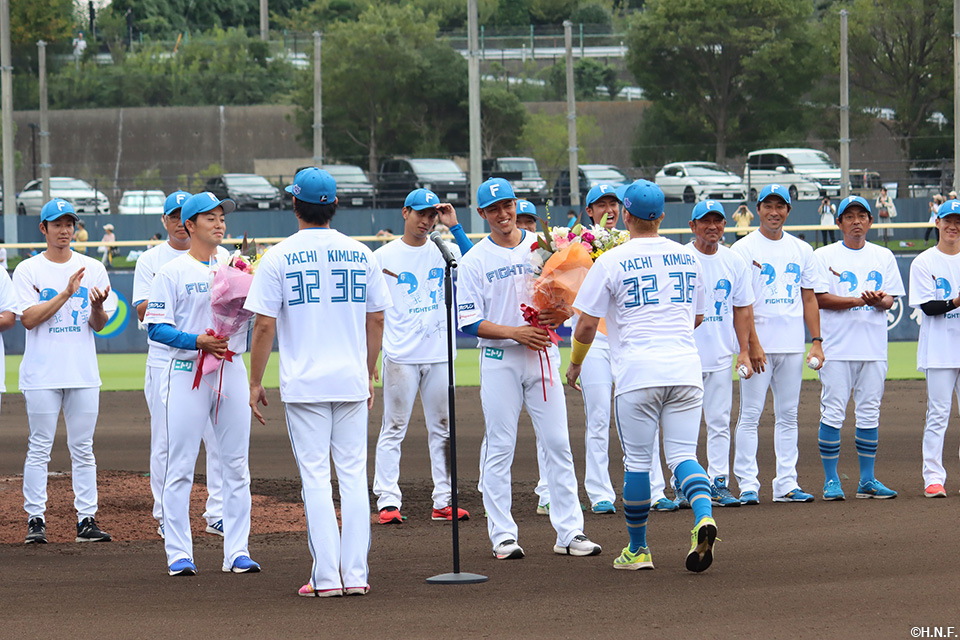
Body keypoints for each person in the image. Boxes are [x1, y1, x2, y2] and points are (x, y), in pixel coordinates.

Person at [246, 168, 392, 596]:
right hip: (350, 380)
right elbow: (377, 319)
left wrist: (254, 381)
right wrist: (368, 370)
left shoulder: (277, 256)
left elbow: (264, 326)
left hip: (306, 384)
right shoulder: (361, 253)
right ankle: (356, 576)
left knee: (315, 480)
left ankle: (326, 578)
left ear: (294, 204)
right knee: (353, 477)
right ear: (335, 206)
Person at [566, 179, 718, 573]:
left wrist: (576, 363)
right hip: (685, 368)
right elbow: (699, 315)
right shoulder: (687, 257)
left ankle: (638, 550)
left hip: (638, 372)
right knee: (683, 456)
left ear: (627, 216)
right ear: (662, 216)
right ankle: (703, 516)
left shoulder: (612, 260)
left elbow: (586, 326)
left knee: (636, 461)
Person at [457, 177, 601, 560]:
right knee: (500, 445)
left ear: (515, 204)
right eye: (493, 209)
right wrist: (514, 333)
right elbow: (468, 322)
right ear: (482, 213)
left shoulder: (544, 247)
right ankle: (503, 535)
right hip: (499, 359)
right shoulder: (474, 260)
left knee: (557, 443)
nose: (502, 214)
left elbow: (569, 296)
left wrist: (562, 313)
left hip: (542, 355)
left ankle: (569, 532)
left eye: (506, 206)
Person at [144, 192, 259, 577]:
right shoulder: (172, 271)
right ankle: (179, 553)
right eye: (210, 217)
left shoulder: (236, 265)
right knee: (180, 464)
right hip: (186, 370)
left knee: (236, 464)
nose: (219, 223)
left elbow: (252, 317)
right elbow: (156, 328)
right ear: (189, 225)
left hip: (230, 367)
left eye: (221, 217)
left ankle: (237, 551)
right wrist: (197, 340)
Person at [15, 198, 115, 545]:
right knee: (39, 446)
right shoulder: (28, 269)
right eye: (57, 224)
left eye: (69, 224)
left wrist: (97, 307)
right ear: (43, 228)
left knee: (83, 448)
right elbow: (28, 319)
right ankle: (35, 519)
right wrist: (66, 293)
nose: (64, 230)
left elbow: (99, 325)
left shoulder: (93, 267)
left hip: (82, 372)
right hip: (41, 374)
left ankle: (86, 519)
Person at [372, 188, 473, 525]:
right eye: (421, 214)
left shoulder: (445, 250)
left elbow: (475, 265)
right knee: (394, 426)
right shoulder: (383, 256)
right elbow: (370, 309)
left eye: (432, 215)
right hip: (401, 355)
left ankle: (444, 500)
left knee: (443, 428)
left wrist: (454, 226)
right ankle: (388, 500)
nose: (427, 221)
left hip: (440, 353)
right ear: (405, 213)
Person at [132, 191, 225, 540]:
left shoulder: (222, 257)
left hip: (215, 358)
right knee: (167, 441)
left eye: (182, 215)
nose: (178, 222)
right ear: (167, 220)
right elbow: (145, 311)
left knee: (218, 440)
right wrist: (171, 295)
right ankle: (164, 513)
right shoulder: (153, 260)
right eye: (173, 216)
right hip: (166, 360)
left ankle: (217, 513)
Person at [730, 184, 825, 504]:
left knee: (788, 415)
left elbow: (809, 299)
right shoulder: (743, 249)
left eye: (780, 206)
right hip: (758, 347)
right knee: (750, 414)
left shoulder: (802, 249)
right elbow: (742, 304)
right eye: (768, 206)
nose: (774, 212)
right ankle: (748, 484)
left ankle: (786, 483)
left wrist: (816, 341)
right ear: (757, 209)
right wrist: (751, 346)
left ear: (788, 210)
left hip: (791, 346)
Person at [813, 195, 904, 501]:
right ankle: (831, 480)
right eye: (849, 216)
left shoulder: (883, 255)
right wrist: (857, 300)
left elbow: (891, 299)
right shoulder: (824, 255)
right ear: (839, 222)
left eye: (861, 216)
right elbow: (819, 298)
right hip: (836, 348)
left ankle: (867, 480)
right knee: (833, 412)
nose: (856, 221)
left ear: (870, 221)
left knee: (869, 413)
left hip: (873, 348)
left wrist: (879, 301)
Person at [678, 200, 755, 507]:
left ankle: (718, 481)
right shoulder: (680, 257)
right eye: (705, 221)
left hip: (721, 354)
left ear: (725, 224)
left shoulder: (733, 260)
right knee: (684, 424)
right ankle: (683, 482)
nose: (712, 227)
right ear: (692, 226)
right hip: (685, 355)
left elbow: (742, 309)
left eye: (718, 221)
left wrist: (744, 351)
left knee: (719, 421)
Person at [909, 198, 960, 498]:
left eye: (958, 221)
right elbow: (928, 307)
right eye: (948, 220)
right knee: (938, 414)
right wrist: (956, 301)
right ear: (937, 222)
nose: (953, 226)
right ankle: (933, 477)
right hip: (939, 350)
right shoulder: (924, 262)